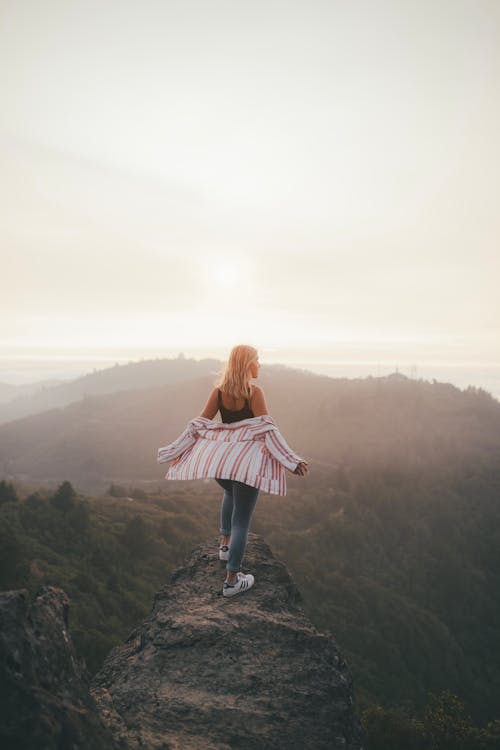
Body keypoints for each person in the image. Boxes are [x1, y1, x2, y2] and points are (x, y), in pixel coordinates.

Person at [197, 344, 308, 597]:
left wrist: (183, 450)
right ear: (248, 365)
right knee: (242, 522)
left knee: (230, 495)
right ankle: (232, 580)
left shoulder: (219, 393)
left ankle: (224, 546)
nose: (260, 365)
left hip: (222, 465)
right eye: (257, 360)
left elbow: (199, 424)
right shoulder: (254, 393)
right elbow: (268, 431)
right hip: (246, 466)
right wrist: (291, 461)